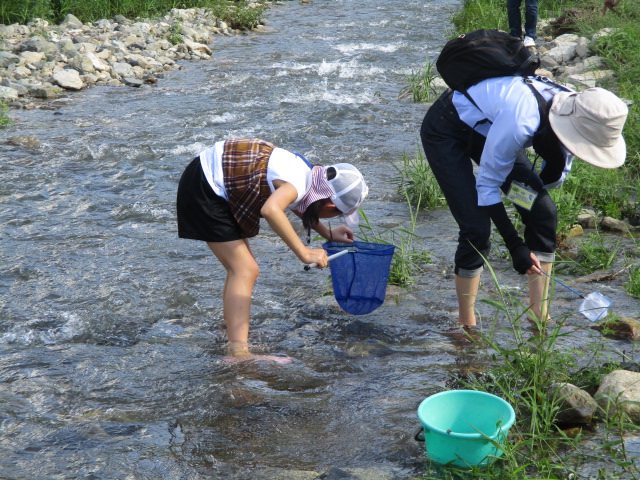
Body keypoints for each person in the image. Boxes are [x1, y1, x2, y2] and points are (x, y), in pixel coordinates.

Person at [420, 78, 628, 329]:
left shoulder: (580, 112)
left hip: (491, 129)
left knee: (543, 213)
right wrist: (515, 244)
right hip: (446, 126)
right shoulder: (523, 120)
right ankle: (466, 326)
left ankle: (539, 316)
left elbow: (553, 176)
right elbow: (486, 186)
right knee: (476, 229)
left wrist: (527, 197)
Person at [176, 138, 368, 362]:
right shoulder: (297, 183)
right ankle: (238, 352)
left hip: (210, 176)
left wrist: (326, 232)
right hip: (206, 187)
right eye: (337, 215)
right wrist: (304, 253)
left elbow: (299, 202)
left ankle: (229, 330)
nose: (335, 219)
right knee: (245, 269)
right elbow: (271, 209)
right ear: (330, 205)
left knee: (241, 267)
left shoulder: (308, 175)